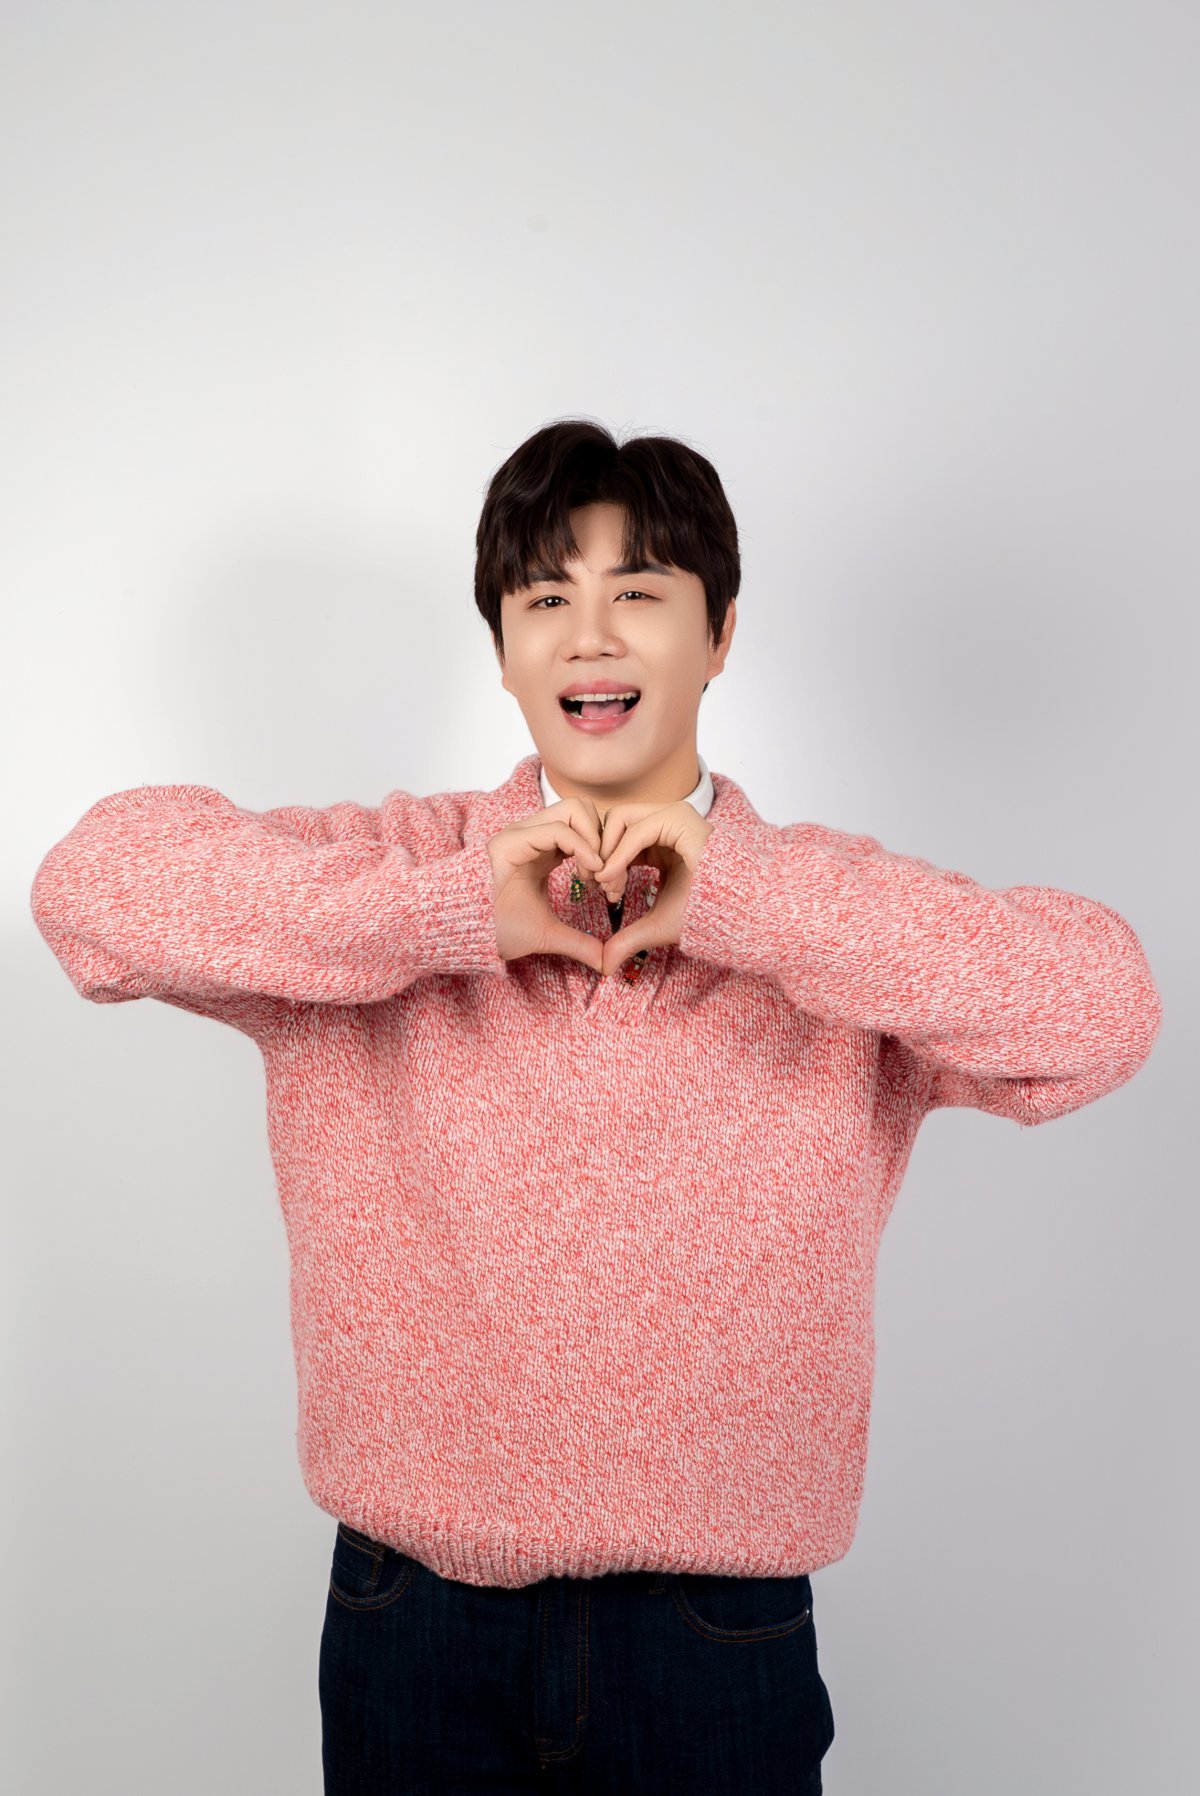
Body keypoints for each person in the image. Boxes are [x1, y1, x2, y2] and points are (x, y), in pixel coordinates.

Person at [29, 419, 1163, 1793]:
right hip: (411, 1620)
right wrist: (458, 912)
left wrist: (739, 899)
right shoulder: (395, 870)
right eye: (546, 599)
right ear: (503, 649)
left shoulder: (831, 913)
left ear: (720, 633)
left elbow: (1104, 1011)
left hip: (717, 1635)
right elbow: (90, 890)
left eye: (639, 592)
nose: (591, 637)